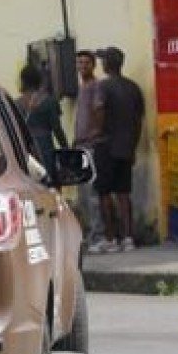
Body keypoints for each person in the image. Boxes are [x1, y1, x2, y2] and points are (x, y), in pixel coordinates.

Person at [90, 46, 146, 253]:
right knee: (124, 194)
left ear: (106, 65)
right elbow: (139, 120)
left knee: (104, 193)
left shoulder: (103, 86)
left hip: (106, 146)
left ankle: (110, 239)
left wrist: (96, 132)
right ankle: (128, 238)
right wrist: (133, 146)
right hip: (126, 147)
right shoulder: (133, 87)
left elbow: (98, 109)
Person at [72, 50, 105, 249]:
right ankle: (90, 235)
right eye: (79, 63)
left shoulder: (96, 86)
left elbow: (99, 112)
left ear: (93, 66)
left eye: (86, 63)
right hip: (81, 146)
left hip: (91, 146)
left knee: (92, 194)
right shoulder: (82, 87)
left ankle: (99, 236)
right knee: (83, 194)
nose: (82, 66)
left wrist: (94, 135)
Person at [17, 64, 68, 174]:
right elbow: (57, 129)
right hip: (45, 148)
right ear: (39, 80)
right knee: (49, 182)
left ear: (23, 80)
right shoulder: (49, 101)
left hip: (26, 150)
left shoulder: (16, 104)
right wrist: (66, 149)